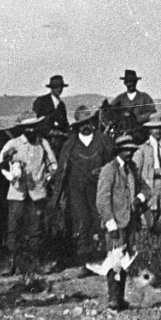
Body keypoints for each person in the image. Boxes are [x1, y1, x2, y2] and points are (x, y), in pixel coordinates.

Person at [0, 112, 58, 278]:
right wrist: (6, 157)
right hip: (17, 193)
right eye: (27, 127)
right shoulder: (14, 143)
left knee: (36, 228)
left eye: (33, 127)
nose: (30, 130)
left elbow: (53, 164)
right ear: (22, 129)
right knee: (14, 228)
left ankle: (35, 263)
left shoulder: (43, 143)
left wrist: (47, 176)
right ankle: (12, 263)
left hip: (37, 192)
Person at [52, 106, 115, 268]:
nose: (86, 126)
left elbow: (112, 164)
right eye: (82, 123)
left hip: (98, 189)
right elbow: (61, 171)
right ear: (77, 126)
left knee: (100, 219)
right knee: (82, 221)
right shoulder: (70, 144)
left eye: (88, 122)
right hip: (76, 190)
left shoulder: (103, 140)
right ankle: (85, 260)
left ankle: (104, 257)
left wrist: (103, 170)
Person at [96, 134, 150, 311]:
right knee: (114, 261)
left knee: (125, 261)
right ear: (118, 151)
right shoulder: (109, 170)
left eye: (131, 149)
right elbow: (102, 200)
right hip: (115, 223)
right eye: (125, 149)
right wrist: (110, 224)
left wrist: (138, 199)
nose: (129, 152)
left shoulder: (132, 169)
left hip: (129, 222)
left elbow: (146, 189)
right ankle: (113, 298)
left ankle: (120, 297)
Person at [32, 75, 70, 140]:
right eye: (56, 87)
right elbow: (36, 120)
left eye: (61, 87)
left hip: (59, 137)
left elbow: (64, 123)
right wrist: (50, 132)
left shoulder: (61, 105)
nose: (59, 89)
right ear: (51, 88)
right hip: (43, 136)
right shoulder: (41, 101)